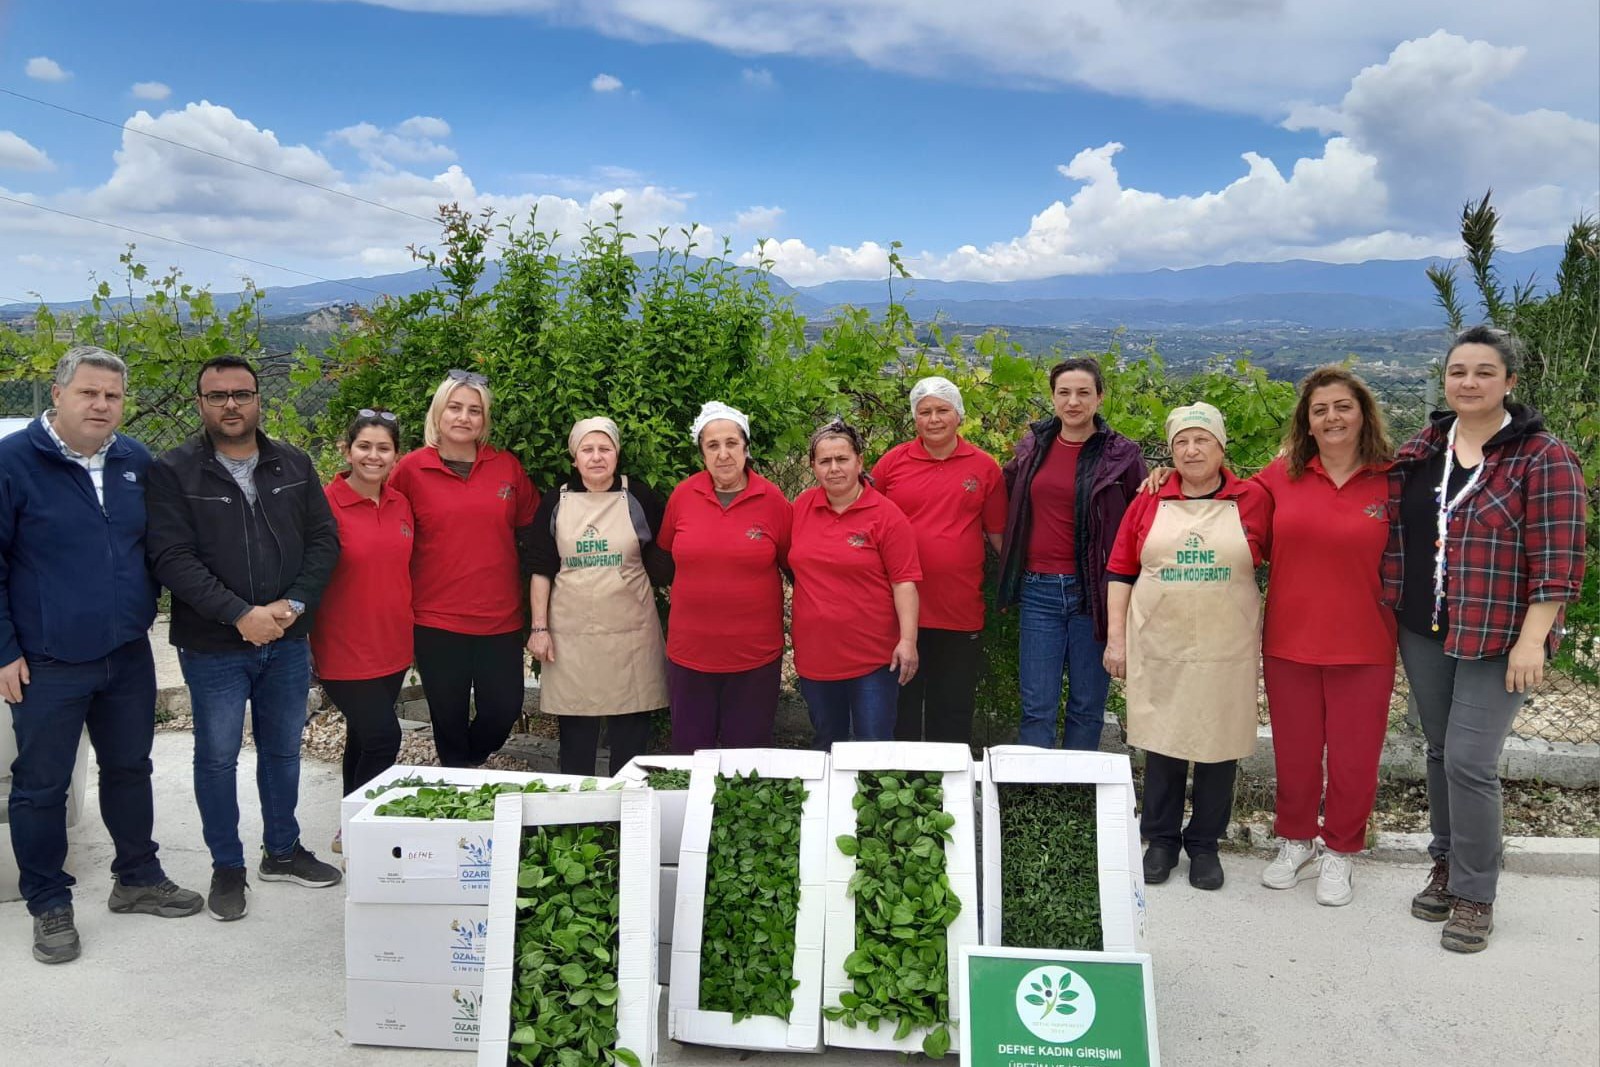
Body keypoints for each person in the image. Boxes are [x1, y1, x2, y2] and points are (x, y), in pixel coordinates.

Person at [1142, 367, 1399, 906]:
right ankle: (1296, 841)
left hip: (1365, 640)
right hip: (1288, 638)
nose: (1331, 417)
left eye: (1342, 407)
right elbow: (1214, 490)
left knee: (1354, 757)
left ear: (1363, 414)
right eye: (1320, 409)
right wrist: (1163, 477)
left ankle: (1341, 852)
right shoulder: (1281, 476)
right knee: (1296, 753)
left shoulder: (1393, 478)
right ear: (1307, 420)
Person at [1383, 325, 1587, 953]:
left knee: (1472, 761)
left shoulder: (1541, 456)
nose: (1468, 383)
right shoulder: (1424, 446)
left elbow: (1558, 557)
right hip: (1424, 626)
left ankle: (1476, 892)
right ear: (1444, 379)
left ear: (1509, 383)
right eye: (1458, 372)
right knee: (1441, 751)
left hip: (1500, 634)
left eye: (1483, 372)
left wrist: (1534, 640)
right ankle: (1445, 863)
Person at [0, 347, 202, 964]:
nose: (101, 405)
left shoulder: (135, 461)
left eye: (112, 396)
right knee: (41, 786)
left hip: (125, 652)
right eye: (89, 393)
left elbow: (159, 550)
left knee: (129, 769)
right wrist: (4, 650)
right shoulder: (13, 464)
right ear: (57, 393)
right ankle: (48, 901)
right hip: (47, 660)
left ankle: (137, 877)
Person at [146, 354, 343, 922]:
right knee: (216, 758)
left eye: (241, 393)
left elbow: (324, 542)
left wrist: (292, 605)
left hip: (286, 638)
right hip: (213, 646)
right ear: (200, 404)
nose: (231, 404)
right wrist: (238, 614)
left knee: (283, 752)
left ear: (258, 399)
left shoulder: (294, 464)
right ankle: (226, 865)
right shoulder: (174, 470)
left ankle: (281, 851)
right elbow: (171, 557)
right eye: (217, 396)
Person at [1103, 402, 1270, 891]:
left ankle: (1204, 844)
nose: (1191, 450)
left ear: (1222, 447)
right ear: (1170, 451)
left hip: (1227, 643)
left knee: (1219, 745)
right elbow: (1120, 570)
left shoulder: (1254, 498)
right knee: (1163, 740)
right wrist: (1117, 640)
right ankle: (1159, 841)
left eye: (1202, 440)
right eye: (1181, 442)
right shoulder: (1149, 498)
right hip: (1159, 639)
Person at [388, 370, 538, 769]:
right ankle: (460, 789)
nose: (463, 417)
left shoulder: (506, 467)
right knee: (448, 720)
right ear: (439, 413)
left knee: (503, 710)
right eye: (455, 407)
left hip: (500, 618)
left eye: (474, 410)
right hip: (437, 620)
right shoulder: (410, 470)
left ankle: (464, 769)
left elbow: (534, 531)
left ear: (484, 420)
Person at [998, 357, 1147, 750]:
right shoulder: (1034, 447)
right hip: (1038, 591)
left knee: (1086, 706)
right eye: (1064, 393)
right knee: (1037, 707)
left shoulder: (1123, 456)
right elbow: (1003, 497)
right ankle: (1033, 799)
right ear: (1053, 398)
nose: (1073, 402)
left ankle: (1076, 800)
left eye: (1083, 393)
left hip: (1095, 594)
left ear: (1100, 397)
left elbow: (1144, 516)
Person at [526, 417, 673, 775]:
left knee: (631, 733)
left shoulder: (639, 497)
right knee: (576, 734)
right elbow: (541, 568)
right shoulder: (555, 501)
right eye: (587, 450)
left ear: (617, 454)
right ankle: (579, 818)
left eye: (604, 449)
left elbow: (669, 552)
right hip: (571, 636)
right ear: (574, 458)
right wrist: (539, 629)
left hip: (631, 633)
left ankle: (629, 814)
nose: (596, 457)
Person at [873, 377, 1006, 745]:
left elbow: (998, 534)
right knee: (901, 707)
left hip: (958, 609)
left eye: (942, 410)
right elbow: (867, 519)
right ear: (914, 418)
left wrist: (1019, 578)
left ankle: (949, 794)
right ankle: (902, 789)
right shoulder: (891, 464)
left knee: (952, 709)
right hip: (897, 610)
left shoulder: (983, 467)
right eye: (925, 411)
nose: (934, 419)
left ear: (959, 415)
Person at [658, 402, 792, 750]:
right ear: (701, 453)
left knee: (746, 760)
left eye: (731, 443)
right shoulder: (683, 496)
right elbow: (665, 555)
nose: (723, 454)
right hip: (691, 654)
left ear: (746, 448)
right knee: (690, 753)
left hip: (754, 656)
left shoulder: (772, 500)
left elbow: (793, 565)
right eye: (712, 445)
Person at [310, 410, 414, 853]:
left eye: (383, 448)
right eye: (364, 446)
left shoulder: (400, 503)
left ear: (396, 455)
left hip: (393, 644)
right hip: (342, 647)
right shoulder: (323, 505)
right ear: (346, 449)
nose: (373, 456)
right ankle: (364, 827)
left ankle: (349, 825)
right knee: (384, 736)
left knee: (361, 737)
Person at [789, 419, 921, 749]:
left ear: (859, 461)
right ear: (813, 466)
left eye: (842, 459)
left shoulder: (886, 516)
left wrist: (908, 641)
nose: (834, 468)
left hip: (873, 659)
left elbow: (904, 582)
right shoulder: (800, 508)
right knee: (826, 743)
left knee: (873, 747)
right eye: (825, 461)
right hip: (816, 656)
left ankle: (872, 801)